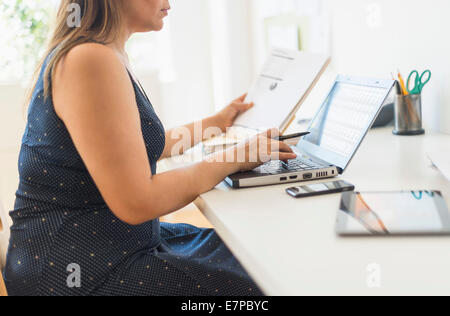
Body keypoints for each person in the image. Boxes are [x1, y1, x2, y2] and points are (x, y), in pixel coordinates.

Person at [3, 0, 296, 296]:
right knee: (262, 278)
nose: (169, 3)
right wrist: (234, 158)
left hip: (111, 244)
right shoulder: (90, 60)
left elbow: (135, 148)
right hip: (76, 267)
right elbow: (138, 202)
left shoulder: (103, 52)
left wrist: (216, 123)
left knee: (254, 254)